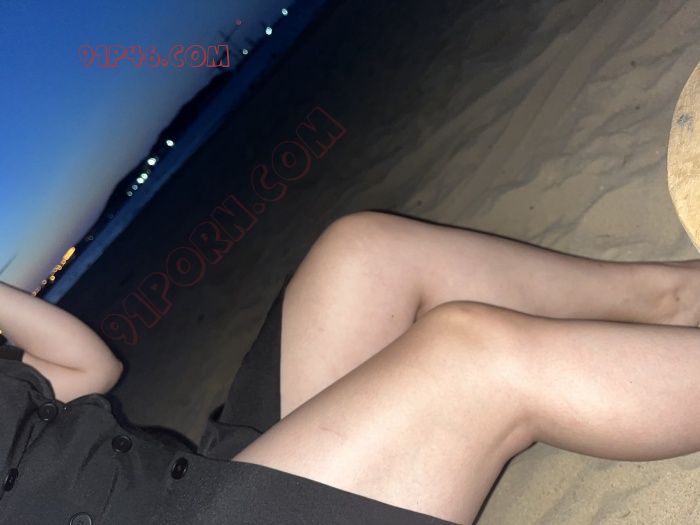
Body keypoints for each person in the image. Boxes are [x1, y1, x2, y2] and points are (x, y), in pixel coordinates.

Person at [3, 210, 700, 525]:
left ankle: (675, 296)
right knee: (471, 357)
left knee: (364, 253)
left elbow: (88, 368)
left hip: (204, 481)